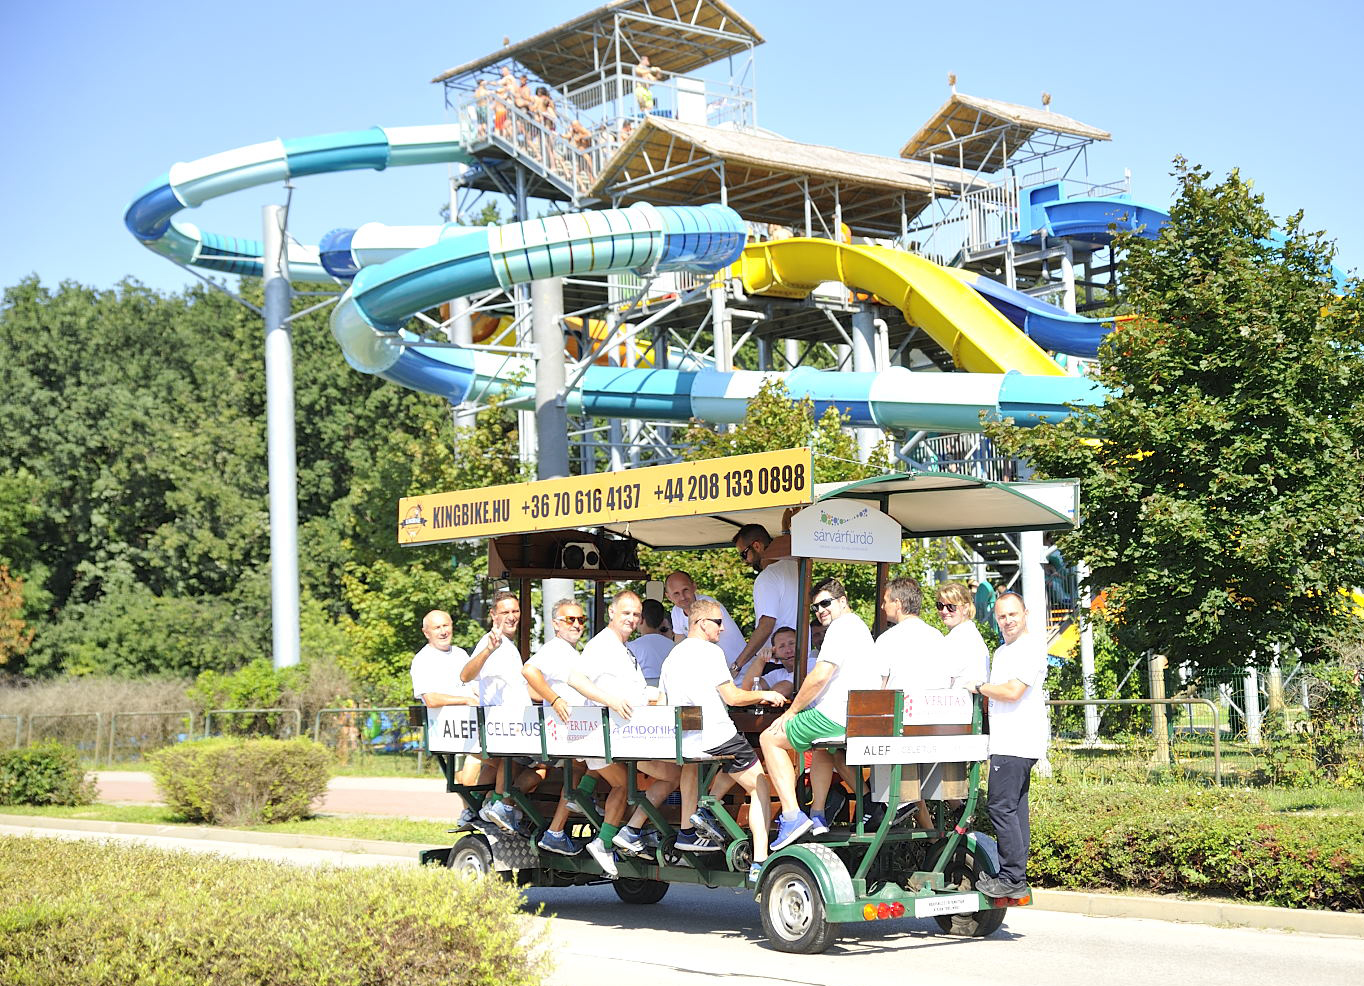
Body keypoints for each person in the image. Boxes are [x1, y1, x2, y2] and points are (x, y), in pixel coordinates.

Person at [659, 598, 785, 882]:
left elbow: (664, 701)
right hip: (717, 735)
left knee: (711, 766)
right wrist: (765, 694)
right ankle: (760, 861)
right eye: (718, 622)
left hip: (687, 741)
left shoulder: (673, 656)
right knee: (760, 785)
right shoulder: (711, 652)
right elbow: (733, 697)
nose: (723, 628)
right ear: (702, 623)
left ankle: (689, 829)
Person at [568, 590, 680, 878]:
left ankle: (621, 835)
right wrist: (610, 700)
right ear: (612, 612)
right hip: (613, 738)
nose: (631, 618)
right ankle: (615, 837)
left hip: (629, 736)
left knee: (663, 775)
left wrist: (659, 695)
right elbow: (575, 679)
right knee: (656, 777)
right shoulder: (602, 644)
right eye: (626, 613)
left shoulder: (624, 647)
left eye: (636, 614)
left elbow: (635, 692)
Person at [759, 578, 877, 850]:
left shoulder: (839, 628)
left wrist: (791, 711)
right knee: (823, 748)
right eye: (816, 607)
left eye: (826, 603)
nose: (820, 610)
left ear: (843, 601)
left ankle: (791, 816)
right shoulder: (858, 626)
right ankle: (817, 815)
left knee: (769, 738)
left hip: (835, 715)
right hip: (855, 717)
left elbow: (820, 676)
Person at [961, 592, 1048, 899]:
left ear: (1025, 614)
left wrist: (978, 686)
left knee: (1000, 807)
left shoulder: (1029, 647)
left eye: (1013, 614)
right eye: (1002, 616)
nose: (1008, 620)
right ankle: (1015, 876)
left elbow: (1012, 692)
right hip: (1009, 741)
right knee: (1015, 809)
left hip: (1016, 741)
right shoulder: (1003, 651)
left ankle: (1012, 877)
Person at [460, 591, 542, 834]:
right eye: (505, 612)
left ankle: (479, 807)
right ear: (493, 615)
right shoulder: (491, 642)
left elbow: (519, 688)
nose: (511, 616)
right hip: (504, 728)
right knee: (540, 768)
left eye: (515, 611)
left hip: (515, 727)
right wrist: (488, 650)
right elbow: (465, 675)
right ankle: (499, 805)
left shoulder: (508, 646)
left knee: (508, 766)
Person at [522, 598, 591, 856]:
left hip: (576, 727)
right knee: (593, 767)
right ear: (555, 624)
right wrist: (554, 699)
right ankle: (560, 826)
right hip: (566, 730)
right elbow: (529, 671)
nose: (576, 624)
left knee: (582, 770)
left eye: (581, 619)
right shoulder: (554, 648)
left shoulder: (570, 651)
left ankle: (562, 824)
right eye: (570, 619)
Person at [875, 577, 946, 829]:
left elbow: (878, 689)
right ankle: (930, 831)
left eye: (886, 601)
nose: (882, 606)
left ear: (897, 603)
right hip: (936, 729)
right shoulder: (937, 636)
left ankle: (885, 807)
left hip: (900, 731)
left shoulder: (887, 640)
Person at [409, 609, 486, 823]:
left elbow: (473, 685)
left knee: (497, 763)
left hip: (473, 726)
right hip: (448, 730)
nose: (443, 631)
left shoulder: (460, 654)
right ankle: (475, 809)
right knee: (478, 771)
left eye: (446, 625)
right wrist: (464, 700)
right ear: (426, 633)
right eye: (437, 627)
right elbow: (430, 699)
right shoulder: (422, 660)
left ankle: (477, 809)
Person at [729, 524, 800, 689]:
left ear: (757, 546)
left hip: (776, 659)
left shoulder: (767, 577)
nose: (745, 561)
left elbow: (766, 625)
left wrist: (737, 666)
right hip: (799, 657)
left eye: (744, 554)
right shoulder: (796, 567)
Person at [664, 571, 745, 666]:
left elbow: (703, 649)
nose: (682, 597)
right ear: (668, 596)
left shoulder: (707, 606)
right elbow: (679, 644)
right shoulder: (676, 611)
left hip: (739, 669)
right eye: (676, 593)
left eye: (685, 590)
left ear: (694, 586)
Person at [935, 581, 990, 687]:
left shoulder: (960, 638)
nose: (944, 611)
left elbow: (939, 677)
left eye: (951, 607)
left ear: (965, 608)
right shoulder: (969, 633)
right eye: (940, 606)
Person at [627, 598, 674, 684]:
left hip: (642, 688)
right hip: (668, 688)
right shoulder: (674, 646)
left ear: (641, 619)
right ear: (662, 621)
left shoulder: (631, 647)